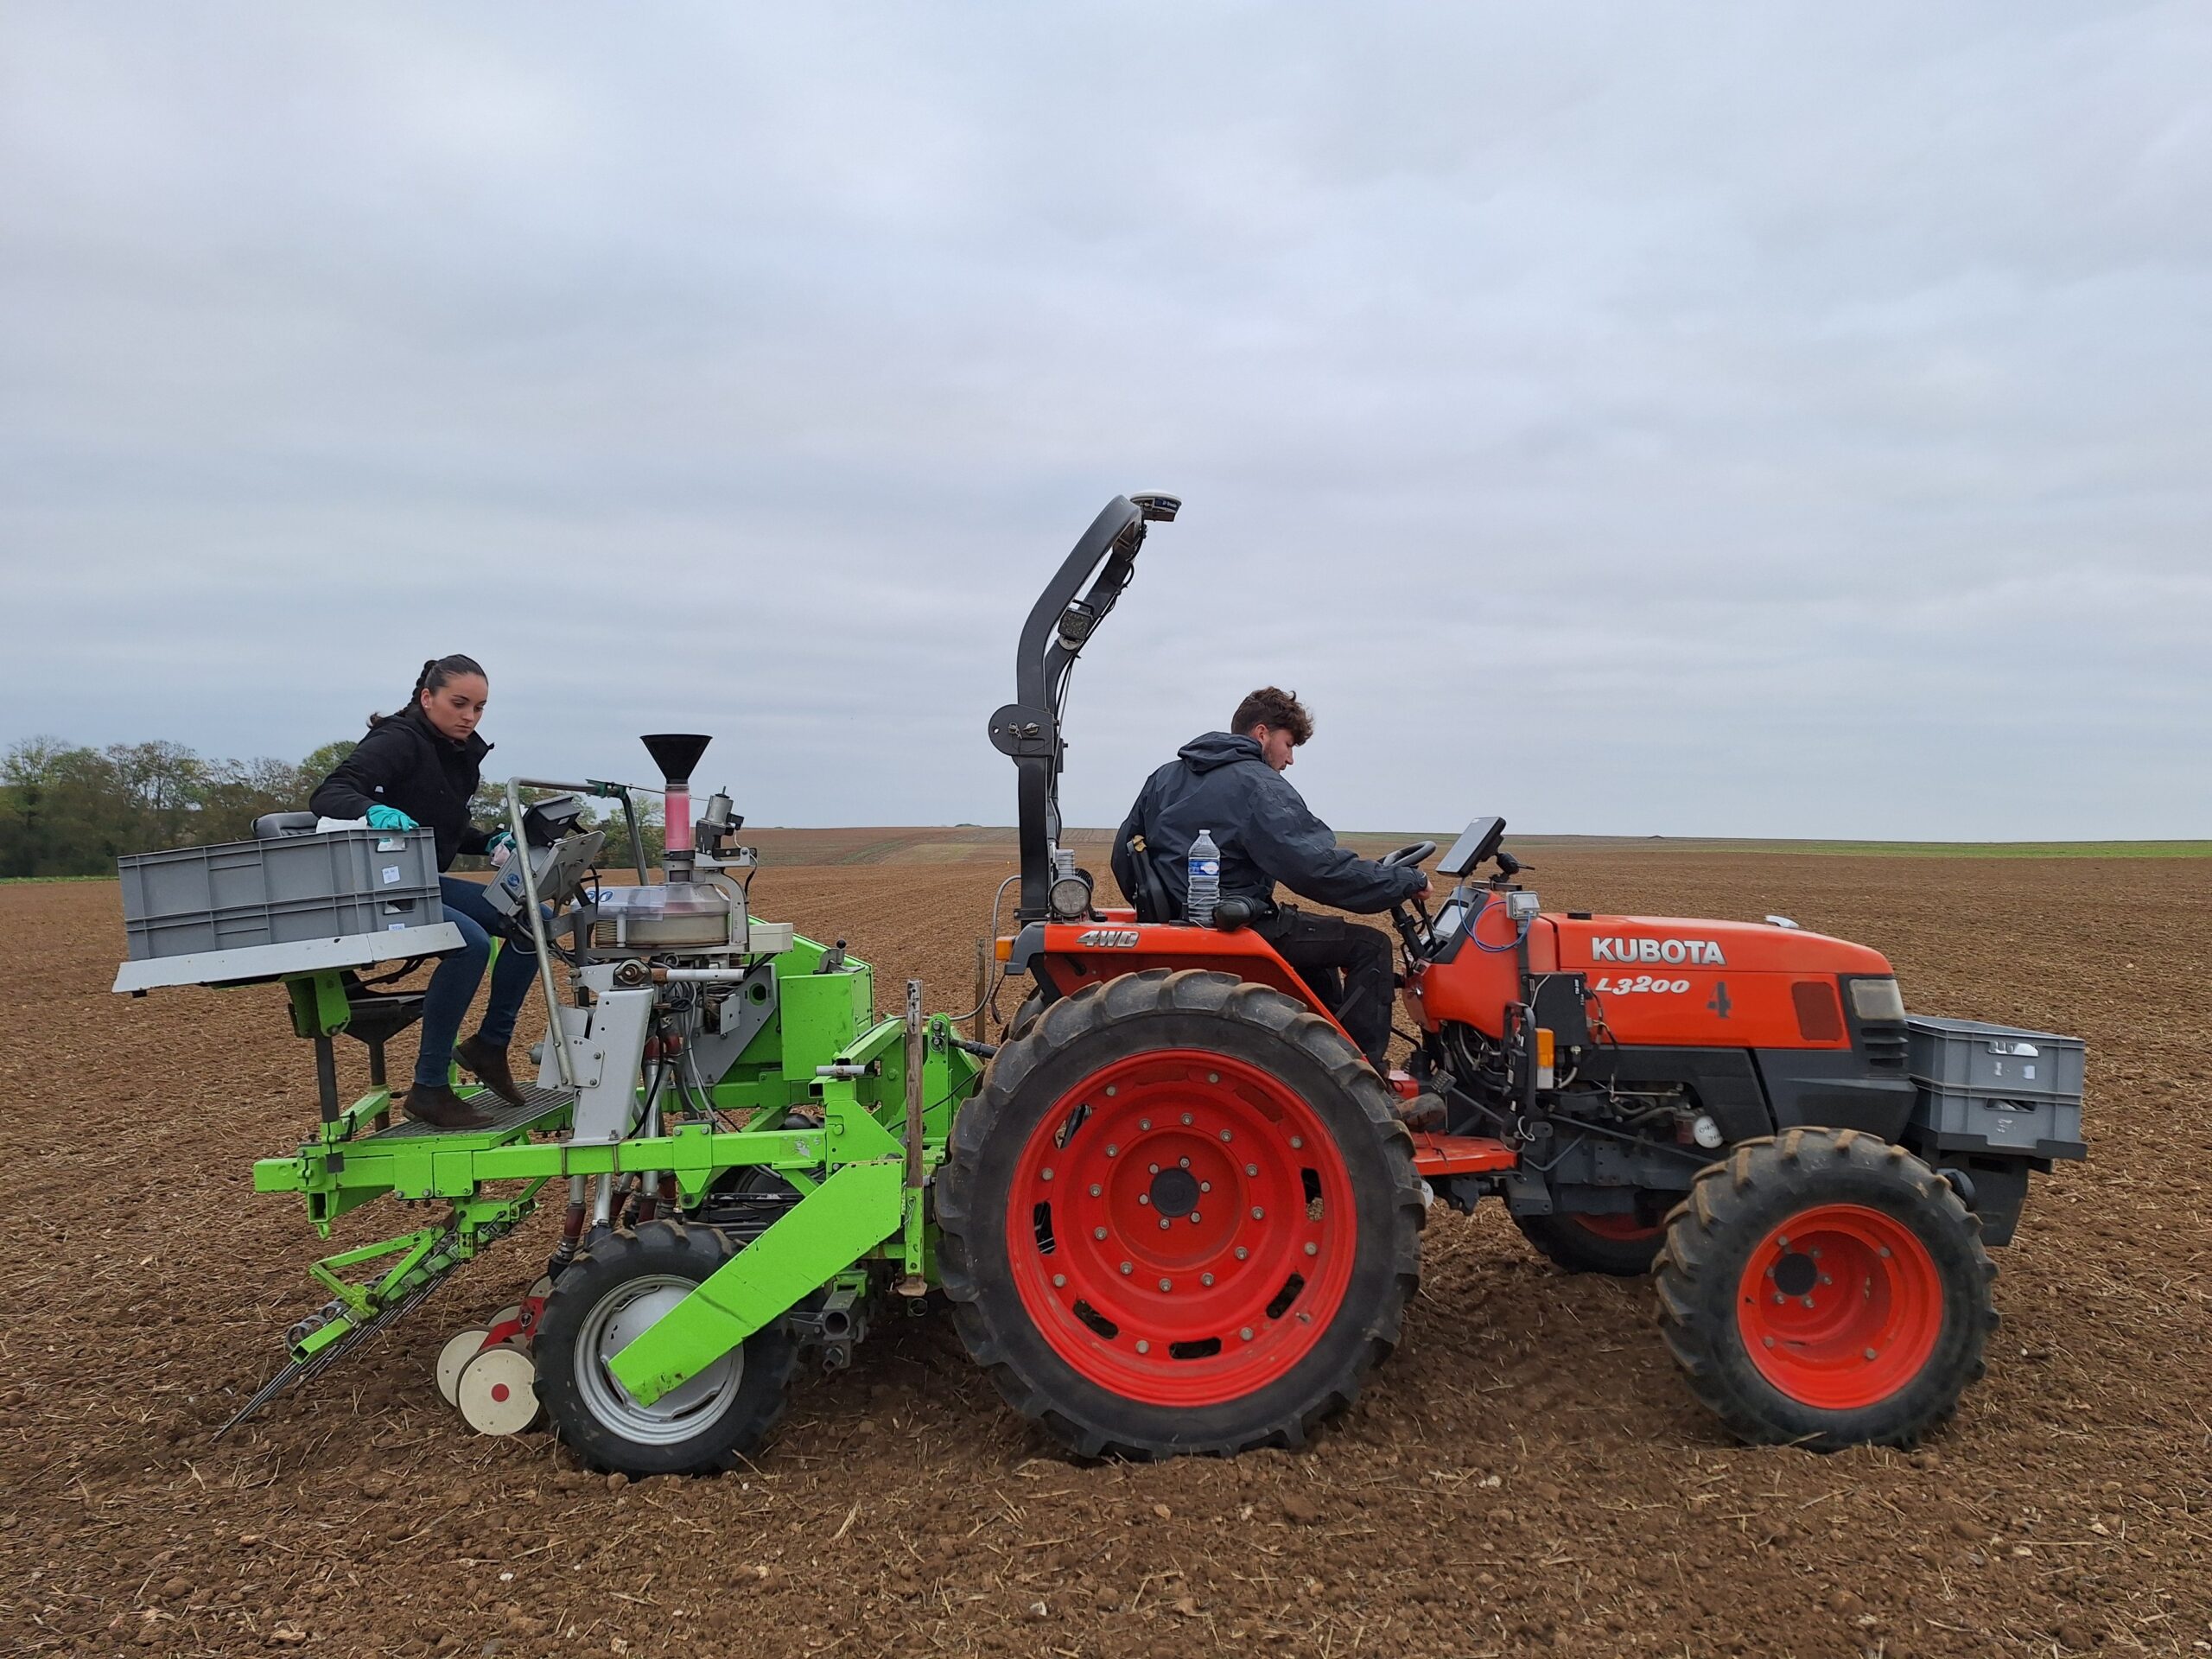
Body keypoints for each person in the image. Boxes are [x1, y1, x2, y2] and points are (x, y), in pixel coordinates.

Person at [1110, 686, 1427, 1071]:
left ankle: (1318, 1059)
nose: (1290, 759)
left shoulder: (1164, 777)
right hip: (1236, 923)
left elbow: (1123, 857)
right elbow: (1317, 868)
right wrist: (1403, 882)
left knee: (1320, 952)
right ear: (1262, 734)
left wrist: (1161, 910)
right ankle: (1363, 1085)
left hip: (1181, 923)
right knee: (1370, 946)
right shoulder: (1257, 784)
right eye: (1288, 744)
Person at [310, 654, 533, 1131]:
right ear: (427, 698)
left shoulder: (459, 751)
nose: (469, 716)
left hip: (423, 879)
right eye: (459, 704)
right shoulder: (398, 740)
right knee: (469, 943)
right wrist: (372, 811)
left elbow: (442, 824)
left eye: (479, 707)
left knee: (533, 919)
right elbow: (329, 794)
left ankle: (488, 1046)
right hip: (377, 884)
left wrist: (487, 840)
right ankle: (428, 1086)